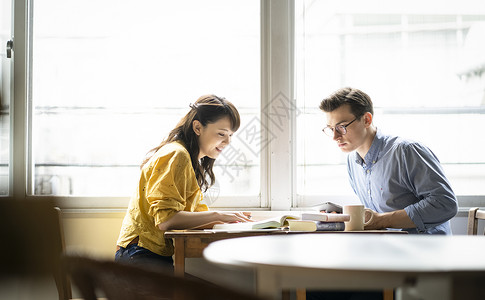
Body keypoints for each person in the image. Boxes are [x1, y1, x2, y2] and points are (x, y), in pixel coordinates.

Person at [115, 95, 251, 271]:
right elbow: (166, 220)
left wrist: (231, 220)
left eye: (231, 135)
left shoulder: (186, 157)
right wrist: (218, 216)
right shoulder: (177, 154)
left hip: (144, 256)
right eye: (221, 134)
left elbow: (184, 216)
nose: (227, 142)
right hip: (140, 255)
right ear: (197, 127)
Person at [319, 87, 458, 234]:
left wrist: (381, 220)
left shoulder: (406, 151)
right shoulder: (352, 162)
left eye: (341, 127)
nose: (335, 137)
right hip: (386, 248)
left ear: (366, 120)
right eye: (330, 128)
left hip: (426, 250)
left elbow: (445, 204)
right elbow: (375, 217)